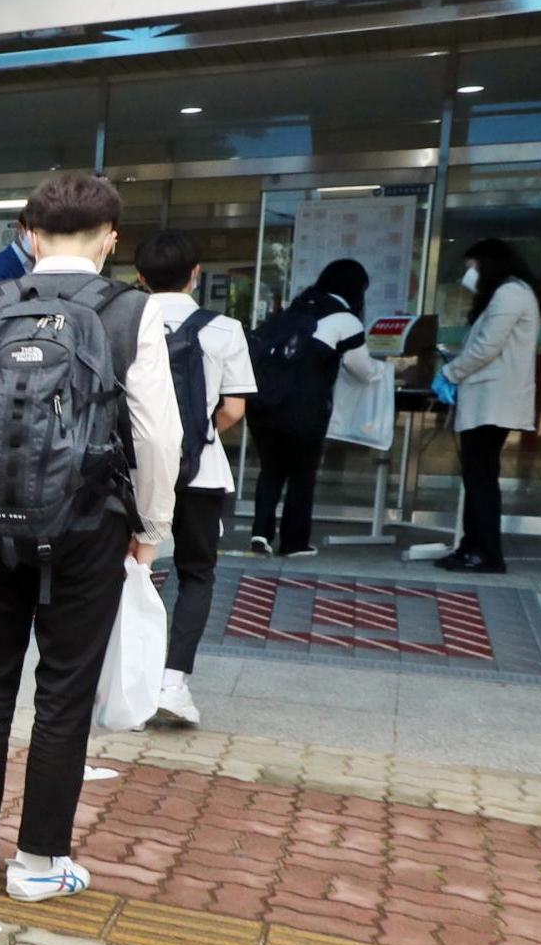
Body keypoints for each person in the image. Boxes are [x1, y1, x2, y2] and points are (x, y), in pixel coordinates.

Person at [0, 173, 179, 900]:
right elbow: (157, 435)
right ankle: (39, 863)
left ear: (31, 235)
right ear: (110, 238)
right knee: (62, 694)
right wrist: (151, 529)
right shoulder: (132, 311)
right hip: (85, 525)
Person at [135, 230, 257, 728]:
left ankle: (129, 687)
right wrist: (199, 435)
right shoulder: (225, 329)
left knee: (130, 573)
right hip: (201, 472)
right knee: (196, 573)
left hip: (136, 470)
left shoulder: (122, 322)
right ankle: (172, 682)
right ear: (196, 274)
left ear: (140, 278)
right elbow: (234, 407)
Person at [245, 258, 385, 558]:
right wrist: (383, 373)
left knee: (271, 470)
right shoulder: (346, 320)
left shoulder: (295, 309)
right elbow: (362, 368)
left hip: (263, 406)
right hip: (303, 411)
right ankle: (295, 543)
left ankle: (260, 534)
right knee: (301, 474)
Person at [434, 238, 541, 574]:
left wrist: (450, 372)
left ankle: (486, 553)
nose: (468, 275)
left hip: (492, 402)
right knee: (477, 475)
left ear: (486, 263)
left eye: (471, 267)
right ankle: (473, 546)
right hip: (487, 400)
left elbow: (486, 347)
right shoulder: (509, 293)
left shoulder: (511, 293)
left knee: (481, 477)